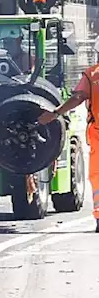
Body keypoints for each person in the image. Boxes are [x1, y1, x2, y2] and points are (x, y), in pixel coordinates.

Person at [37, 35, 99, 231]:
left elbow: (78, 97)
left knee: (98, 178)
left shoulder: (92, 75)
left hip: (98, 135)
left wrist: (55, 113)